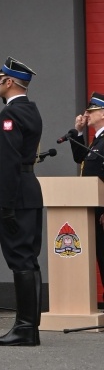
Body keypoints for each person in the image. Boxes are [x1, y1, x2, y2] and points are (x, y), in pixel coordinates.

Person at [0, 56, 44, 347]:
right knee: (29, 259)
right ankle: (30, 328)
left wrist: (5, 203)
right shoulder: (31, 111)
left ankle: (24, 328)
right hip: (30, 190)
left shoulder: (9, 115)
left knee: (20, 259)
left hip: (15, 193)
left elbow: (9, 161)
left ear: (9, 82)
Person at [68, 92, 104, 308]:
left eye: (91, 111)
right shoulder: (97, 140)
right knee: (101, 257)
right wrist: (77, 131)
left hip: (102, 210)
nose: (85, 114)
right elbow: (79, 158)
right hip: (94, 209)